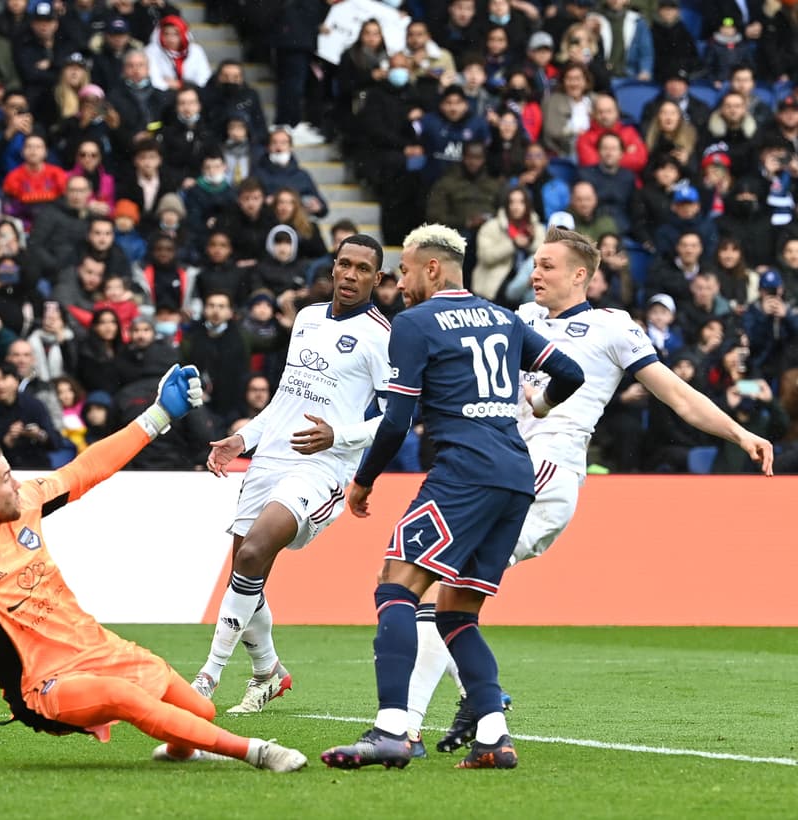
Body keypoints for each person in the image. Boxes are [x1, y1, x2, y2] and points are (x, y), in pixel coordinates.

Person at [403, 227, 774, 758]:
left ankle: (412, 725)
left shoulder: (612, 329)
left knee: (440, 586)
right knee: (446, 594)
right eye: (535, 262)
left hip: (546, 475)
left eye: (548, 265)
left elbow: (677, 397)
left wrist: (740, 432)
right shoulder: (517, 321)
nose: (536, 272)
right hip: (498, 467)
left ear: (581, 275)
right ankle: (478, 708)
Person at [0, 364, 308, 772]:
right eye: (4, 480)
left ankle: (178, 745)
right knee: (125, 698)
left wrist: (158, 417)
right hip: (46, 686)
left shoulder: (26, 502)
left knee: (200, 711)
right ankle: (255, 752)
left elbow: (86, 469)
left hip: (97, 649)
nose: (16, 484)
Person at [321, 223, 586, 771]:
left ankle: (392, 729)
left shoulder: (414, 323)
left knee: (396, 584)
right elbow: (569, 372)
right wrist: (538, 406)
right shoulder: (503, 317)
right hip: (516, 477)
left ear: (432, 268)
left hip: (463, 473)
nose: (400, 281)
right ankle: (493, 734)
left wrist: (364, 480)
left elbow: (397, 420)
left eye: (405, 270)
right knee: (457, 612)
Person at [195, 235, 395, 712]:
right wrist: (244, 438)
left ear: (378, 279)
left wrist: (338, 437)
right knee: (247, 567)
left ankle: (207, 677)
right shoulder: (306, 318)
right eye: (344, 265)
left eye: (362, 269)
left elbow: (394, 418)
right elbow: (288, 397)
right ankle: (268, 672)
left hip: (320, 466)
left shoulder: (382, 336)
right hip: (268, 459)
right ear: (332, 268)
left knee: (257, 550)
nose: (350, 275)